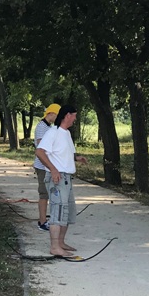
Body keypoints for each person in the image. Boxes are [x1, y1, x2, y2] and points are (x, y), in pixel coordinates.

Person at [35, 106, 88, 257]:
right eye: (74, 115)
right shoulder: (53, 132)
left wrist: (77, 158)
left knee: (68, 212)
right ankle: (54, 247)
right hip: (57, 178)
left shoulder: (67, 133)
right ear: (67, 115)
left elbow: (65, 152)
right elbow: (39, 152)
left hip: (67, 178)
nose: (75, 119)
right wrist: (53, 169)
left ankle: (61, 242)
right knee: (58, 211)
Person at [32, 104, 61, 231]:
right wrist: (49, 166)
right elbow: (41, 149)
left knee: (50, 193)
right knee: (44, 194)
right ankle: (42, 222)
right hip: (43, 166)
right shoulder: (41, 127)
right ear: (51, 113)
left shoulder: (48, 127)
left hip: (48, 166)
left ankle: (49, 218)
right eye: (57, 116)